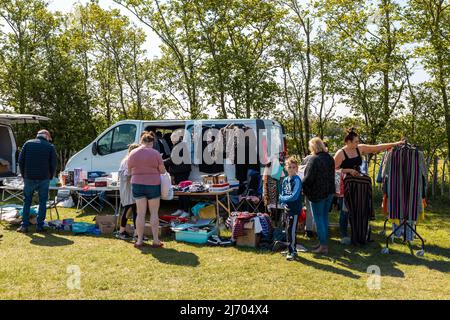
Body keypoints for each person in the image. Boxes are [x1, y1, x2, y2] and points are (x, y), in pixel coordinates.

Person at [334, 128, 403, 245]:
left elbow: (377, 147)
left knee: (360, 209)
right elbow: (333, 169)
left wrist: (395, 144)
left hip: (359, 184)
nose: (357, 143)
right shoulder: (340, 153)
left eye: (357, 141)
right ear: (348, 142)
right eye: (355, 141)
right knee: (345, 211)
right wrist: (349, 170)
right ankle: (344, 235)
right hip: (345, 185)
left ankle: (360, 233)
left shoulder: (359, 148)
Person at [128, 132, 166, 249]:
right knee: (154, 213)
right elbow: (163, 171)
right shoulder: (155, 153)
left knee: (140, 213)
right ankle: (156, 240)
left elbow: (129, 171)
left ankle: (139, 241)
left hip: (137, 184)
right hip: (153, 184)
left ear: (141, 141)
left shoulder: (132, 153)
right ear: (151, 142)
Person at [17, 129, 57, 233]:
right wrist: (51, 176)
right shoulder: (50, 147)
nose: (49, 140)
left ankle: (24, 226)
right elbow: (53, 164)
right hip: (44, 178)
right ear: (46, 136)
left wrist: (23, 174)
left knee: (27, 201)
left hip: (29, 177)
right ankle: (39, 226)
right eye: (49, 138)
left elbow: (20, 161)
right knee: (43, 202)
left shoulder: (27, 143)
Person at [302, 137, 335, 254]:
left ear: (314, 147)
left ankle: (324, 246)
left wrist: (301, 186)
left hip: (317, 194)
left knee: (319, 219)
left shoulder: (314, 159)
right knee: (324, 218)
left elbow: (308, 178)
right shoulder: (330, 158)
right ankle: (323, 243)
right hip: (329, 192)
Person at [279, 157, 305, 261]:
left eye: (294, 167)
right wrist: (282, 201)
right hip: (287, 208)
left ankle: (292, 251)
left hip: (294, 209)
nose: (291, 169)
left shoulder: (297, 180)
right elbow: (283, 192)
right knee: (286, 229)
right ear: (286, 168)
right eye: (289, 167)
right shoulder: (285, 180)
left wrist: (283, 198)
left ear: (297, 169)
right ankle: (289, 247)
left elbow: (294, 196)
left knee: (291, 230)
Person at [164, 130, 191, 217]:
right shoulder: (178, 145)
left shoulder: (179, 146)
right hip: (180, 171)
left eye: (172, 138)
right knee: (180, 191)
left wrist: (162, 161)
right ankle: (181, 209)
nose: (171, 139)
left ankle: (186, 210)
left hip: (182, 171)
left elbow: (173, 159)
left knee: (183, 192)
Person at [117, 143, 140, 240]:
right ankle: (121, 231)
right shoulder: (127, 161)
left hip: (131, 188)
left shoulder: (131, 160)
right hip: (127, 188)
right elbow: (126, 175)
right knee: (128, 209)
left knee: (136, 211)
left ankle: (137, 233)